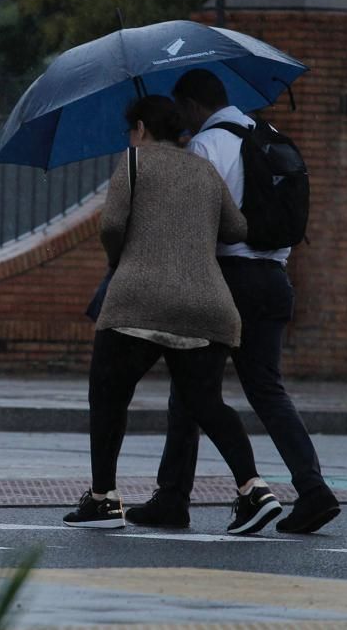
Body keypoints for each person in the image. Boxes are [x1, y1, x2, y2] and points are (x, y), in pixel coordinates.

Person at [125, 68, 341, 534]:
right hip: (274, 280)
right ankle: (313, 488)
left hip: (226, 280)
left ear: (191, 105)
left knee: (190, 389)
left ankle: (178, 497)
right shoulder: (268, 135)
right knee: (267, 390)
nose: (181, 122)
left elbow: (194, 224)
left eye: (182, 111)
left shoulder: (206, 147)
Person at [64, 95, 284, 535]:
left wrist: (118, 260)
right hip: (208, 306)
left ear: (141, 129)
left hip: (138, 300)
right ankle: (254, 490)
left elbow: (110, 226)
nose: (130, 138)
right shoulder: (203, 169)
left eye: (131, 131)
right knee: (207, 402)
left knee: (108, 393)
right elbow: (236, 228)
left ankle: (104, 499)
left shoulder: (133, 162)